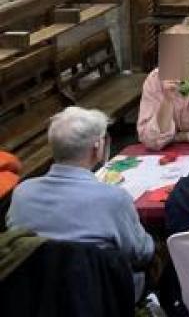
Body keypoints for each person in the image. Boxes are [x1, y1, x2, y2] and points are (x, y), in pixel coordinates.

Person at [7, 107, 155, 292]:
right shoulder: (113, 198)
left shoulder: (22, 193)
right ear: (97, 147)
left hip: (36, 294)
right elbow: (141, 253)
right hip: (101, 296)